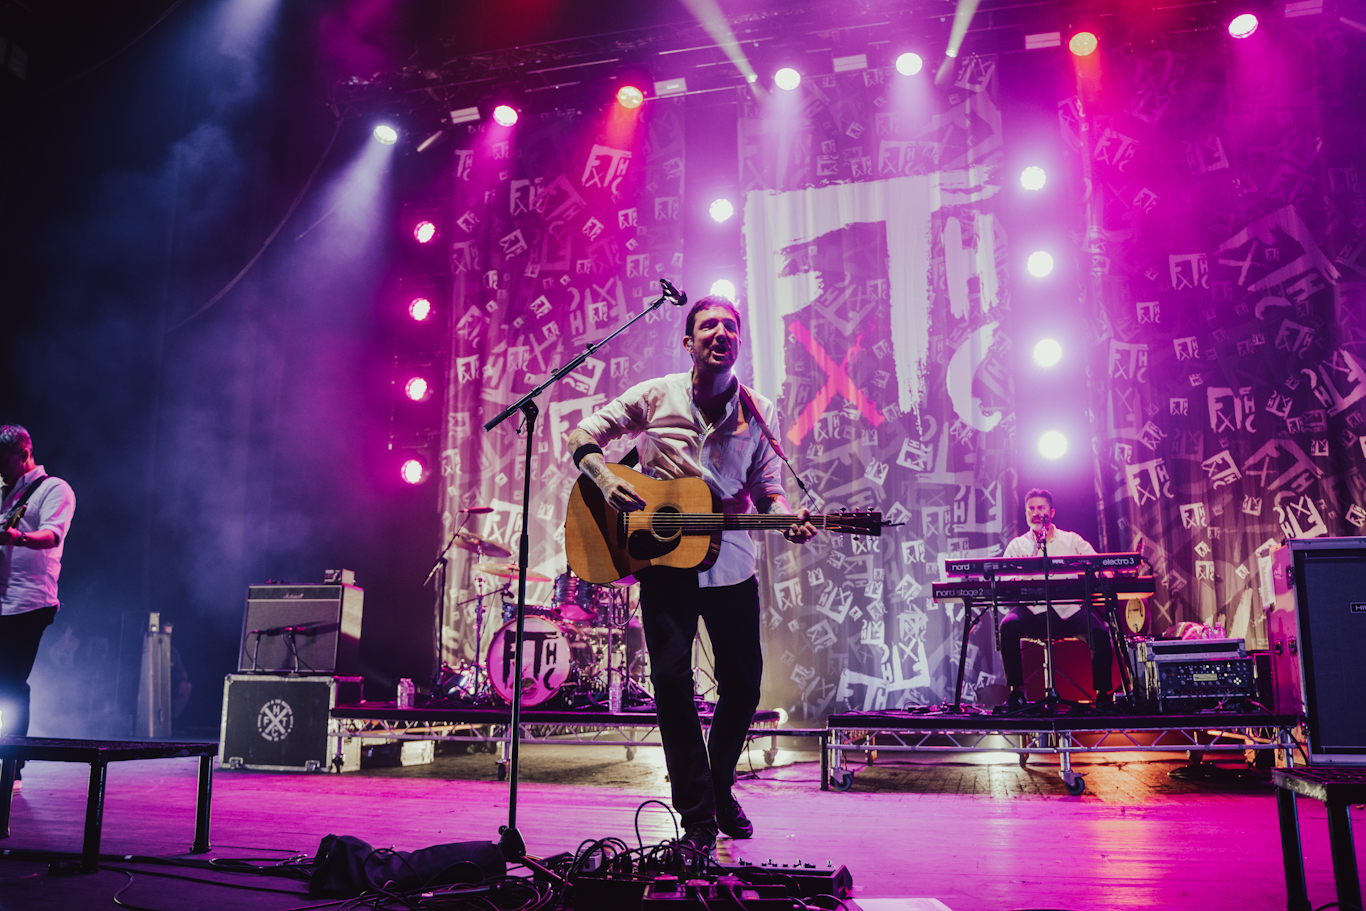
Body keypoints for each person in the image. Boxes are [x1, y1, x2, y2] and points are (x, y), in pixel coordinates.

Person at [567, 296, 817, 859]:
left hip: (731, 564)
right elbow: (584, 433)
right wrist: (606, 483)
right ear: (689, 342)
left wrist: (784, 516)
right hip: (664, 565)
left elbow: (767, 486)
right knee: (673, 685)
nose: (722, 332)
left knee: (745, 686)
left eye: (731, 325)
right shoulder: (657, 395)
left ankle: (720, 782)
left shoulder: (760, 411)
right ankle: (699, 817)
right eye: (709, 325)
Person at [0, 425, 77, 787]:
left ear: (23, 453)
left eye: (3, 460)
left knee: (12, 682)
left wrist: (19, 537)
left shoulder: (53, 489)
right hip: (1, 602)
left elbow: (52, 534)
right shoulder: (3, 492)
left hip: (28, 603)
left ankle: (13, 765)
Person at [997, 488, 1113, 712]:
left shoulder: (1072, 540)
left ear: (1052, 512)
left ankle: (1102, 695)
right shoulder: (1017, 545)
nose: (1036, 513)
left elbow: (1100, 567)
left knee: (1100, 632)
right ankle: (1016, 693)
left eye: (1041, 508)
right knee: (1008, 626)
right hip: (1032, 610)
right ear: (1026, 514)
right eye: (1031, 509)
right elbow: (1004, 582)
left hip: (1068, 610)